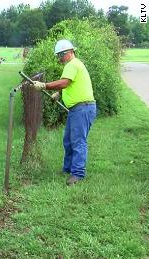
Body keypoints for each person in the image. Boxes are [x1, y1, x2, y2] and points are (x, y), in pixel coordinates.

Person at [32, 39, 96, 186]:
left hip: (82, 108)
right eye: (58, 55)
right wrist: (60, 93)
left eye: (61, 55)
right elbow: (71, 84)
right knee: (68, 141)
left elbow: (65, 82)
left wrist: (44, 86)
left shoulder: (72, 65)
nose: (59, 58)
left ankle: (77, 174)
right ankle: (68, 169)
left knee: (78, 141)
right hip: (77, 109)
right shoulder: (74, 64)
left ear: (69, 52)